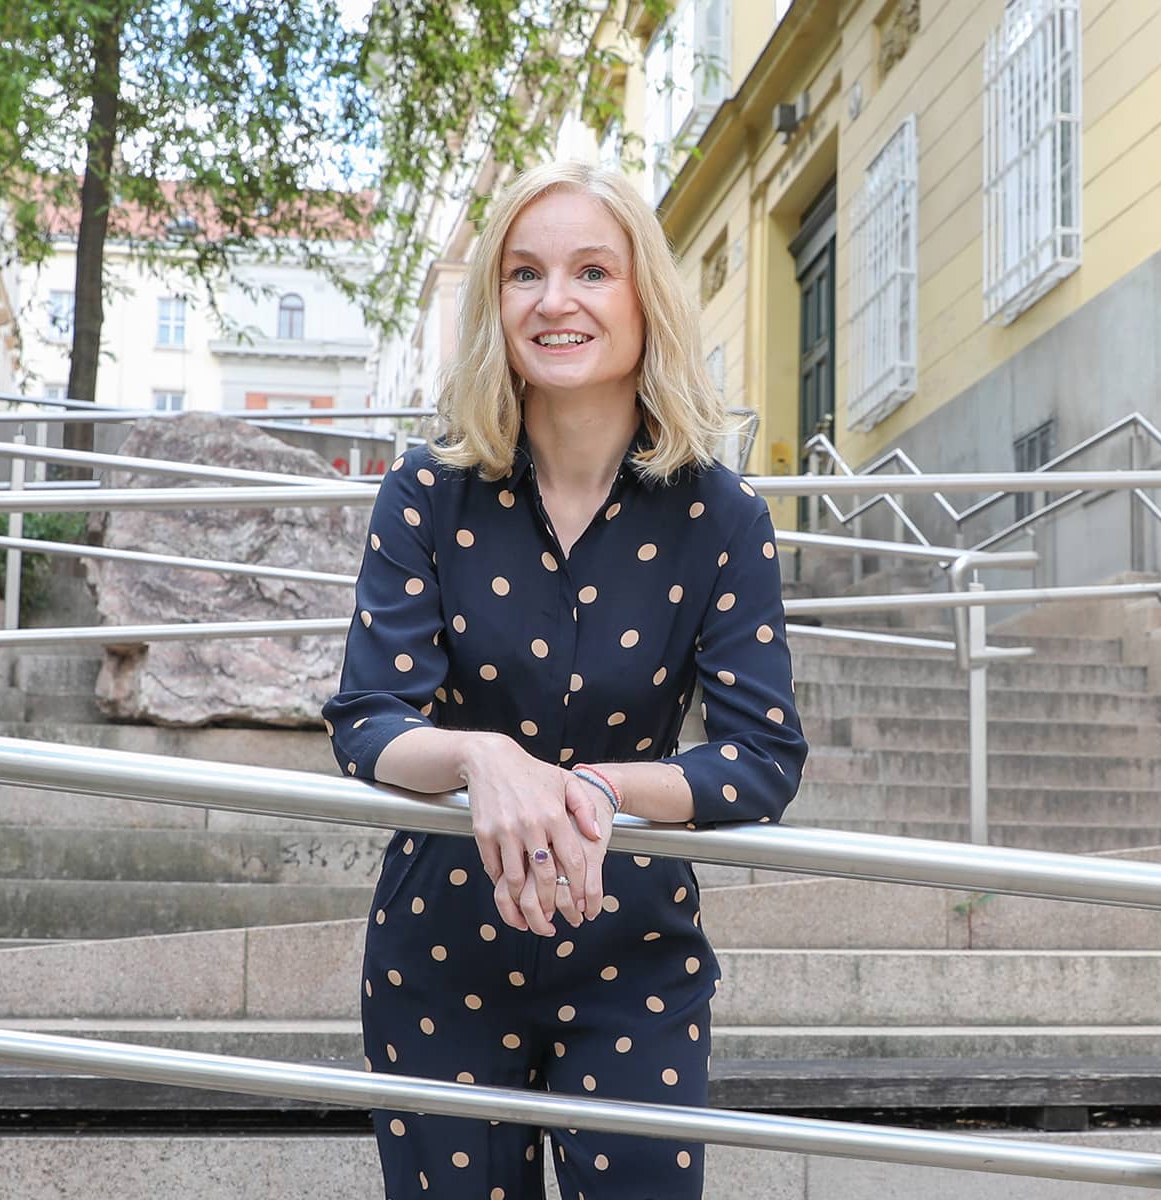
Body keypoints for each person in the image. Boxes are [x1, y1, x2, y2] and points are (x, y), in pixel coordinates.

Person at [322, 159, 807, 1200]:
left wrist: (601, 786)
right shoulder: (426, 492)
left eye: (592, 270)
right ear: (493, 306)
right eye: (523, 274)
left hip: (632, 942)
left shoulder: (721, 518)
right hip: (439, 950)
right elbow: (368, 718)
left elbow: (762, 758)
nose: (555, 301)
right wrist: (480, 757)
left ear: (644, 299)